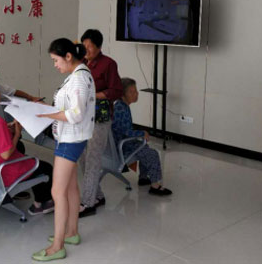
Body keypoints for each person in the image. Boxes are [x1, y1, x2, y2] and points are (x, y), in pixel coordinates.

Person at [31, 38, 95, 261]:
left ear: (68, 56)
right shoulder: (78, 74)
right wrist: (46, 109)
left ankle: (57, 246)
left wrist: (46, 114)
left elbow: (75, 114)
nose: (55, 65)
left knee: (57, 192)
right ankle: (71, 232)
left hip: (71, 139)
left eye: (56, 60)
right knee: (70, 188)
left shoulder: (79, 78)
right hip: (70, 137)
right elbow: (69, 107)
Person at [0, 75, 54, 215]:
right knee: (45, 167)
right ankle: (42, 203)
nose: (0, 94)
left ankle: (39, 201)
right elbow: (6, 154)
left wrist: (6, 129)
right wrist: (17, 134)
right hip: (4, 171)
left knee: (31, 160)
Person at [78, 29, 123, 217]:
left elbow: (116, 90)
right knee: (82, 157)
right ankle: (98, 195)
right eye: (84, 46)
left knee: (93, 157)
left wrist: (94, 95)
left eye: (90, 47)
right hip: (82, 115)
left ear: (99, 47)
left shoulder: (108, 64)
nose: (87, 50)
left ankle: (88, 202)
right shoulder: (81, 63)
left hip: (100, 117)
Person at [112, 78, 172, 195]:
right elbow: (126, 132)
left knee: (144, 146)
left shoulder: (120, 105)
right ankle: (155, 186)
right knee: (152, 154)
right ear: (123, 94)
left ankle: (143, 178)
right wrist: (142, 133)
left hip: (121, 143)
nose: (136, 94)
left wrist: (140, 133)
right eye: (131, 92)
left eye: (136, 91)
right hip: (123, 146)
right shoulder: (121, 108)